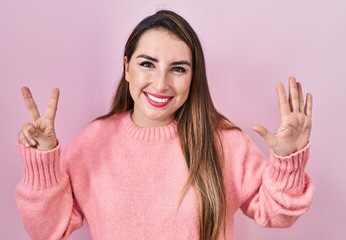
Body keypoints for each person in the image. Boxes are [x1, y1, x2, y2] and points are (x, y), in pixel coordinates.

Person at [16, 10, 313, 240]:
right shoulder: (94, 141)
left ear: (192, 77)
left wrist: (288, 161)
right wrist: (43, 162)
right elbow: (48, 231)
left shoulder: (223, 142)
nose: (161, 83)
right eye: (147, 63)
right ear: (127, 68)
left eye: (178, 69)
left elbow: (278, 214)